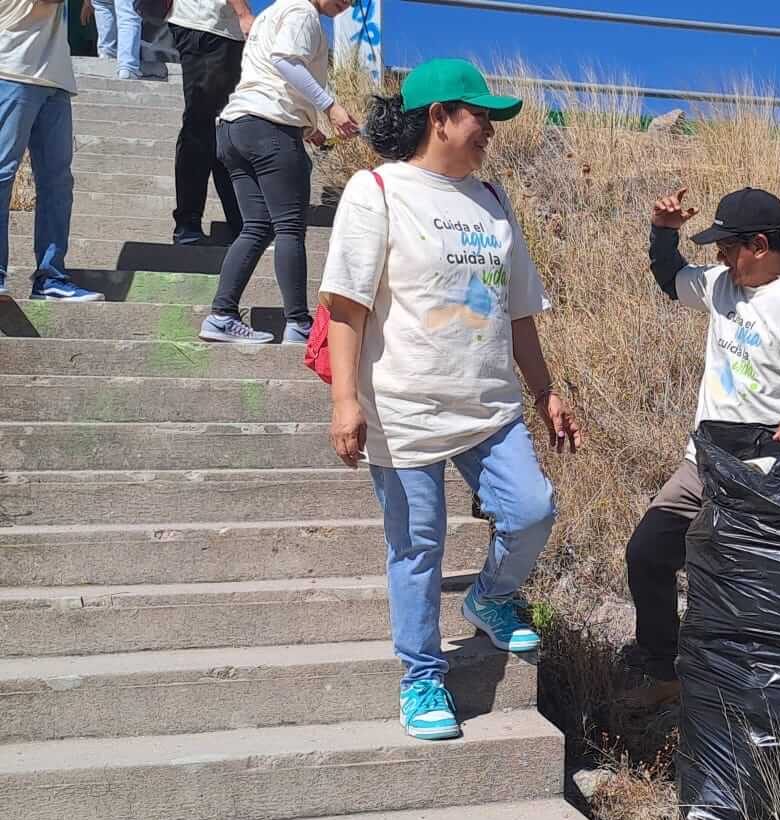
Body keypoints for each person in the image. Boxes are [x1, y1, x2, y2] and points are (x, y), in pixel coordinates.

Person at [319, 58, 584, 741]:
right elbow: (346, 308)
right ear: (438, 117)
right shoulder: (376, 191)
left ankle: (491, 598)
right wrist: (344, 401)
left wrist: (547, 392)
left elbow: (518, 311)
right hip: (403, 407)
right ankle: (421, 678)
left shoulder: (492, 202)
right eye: (480, 117)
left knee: (531, 510)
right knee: (417, 547)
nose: (489, 131)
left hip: (490, 407)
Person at [622, 186, 780, 707]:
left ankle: (744, 693)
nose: (719, 257)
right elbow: (671, 279)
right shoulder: (721, 284)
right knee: (647, 553)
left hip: (766, 474)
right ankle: (664, 672)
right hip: (703, 463)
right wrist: (663, 231)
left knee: (740, 584)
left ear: (759, 243)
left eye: (727, 247)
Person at [198, 0, 359, 345]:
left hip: (235, 127)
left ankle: (221, 315)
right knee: (289, 228)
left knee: (256, 226)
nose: (348, 3)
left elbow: (267, 77)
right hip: (269, 130)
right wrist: (330, 107)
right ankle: (299, 323)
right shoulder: (303, 13)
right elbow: (284, 62)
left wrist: (306, 127)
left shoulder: (273, 12)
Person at [0, 0, 104, 302]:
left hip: (55, 78)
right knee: (3, 174)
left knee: (58, 184)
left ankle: (51, 277)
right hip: (12, 71)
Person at [165, 0, 254, 245]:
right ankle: (188, 222)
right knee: (201, 124)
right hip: (205, 26)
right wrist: (244, 13)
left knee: (223, 126)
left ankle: (241, 221)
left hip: (224, 30)